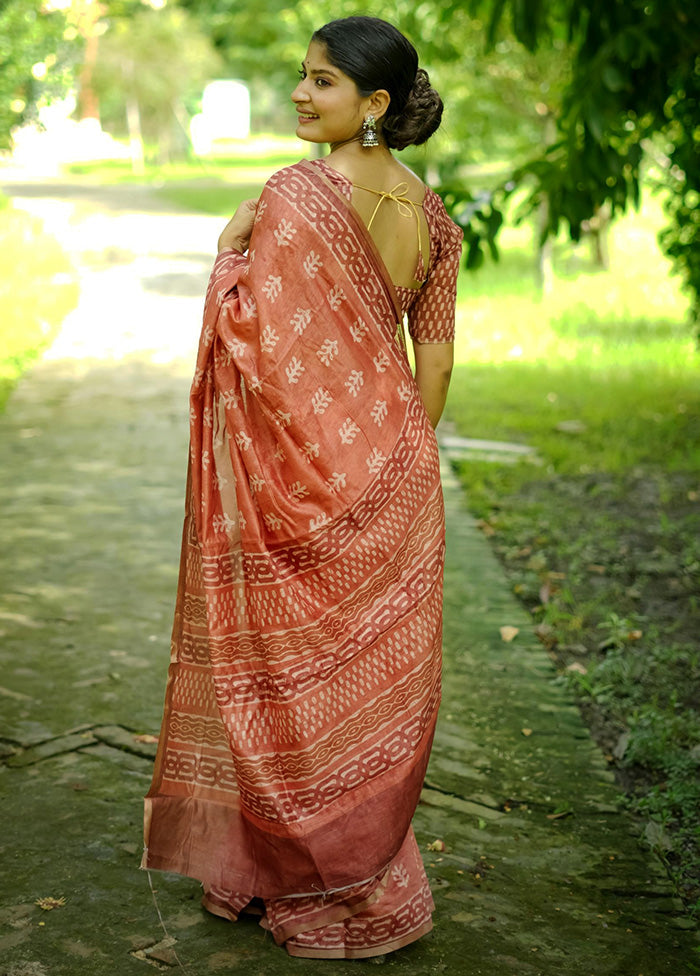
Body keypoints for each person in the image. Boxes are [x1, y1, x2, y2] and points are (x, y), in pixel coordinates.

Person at [142, 15, 463, 960]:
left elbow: (253, 341)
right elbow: (434, 364)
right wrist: (392, 461)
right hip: (394, 475)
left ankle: (273, 876)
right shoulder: (434, 219)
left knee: (280, 686)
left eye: (322, 81)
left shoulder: (289, 198)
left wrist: (227, 253)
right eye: (301, 75)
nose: (299, 93)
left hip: (293, 479)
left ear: (373, 104)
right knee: (363, 686)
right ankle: (355, 883)